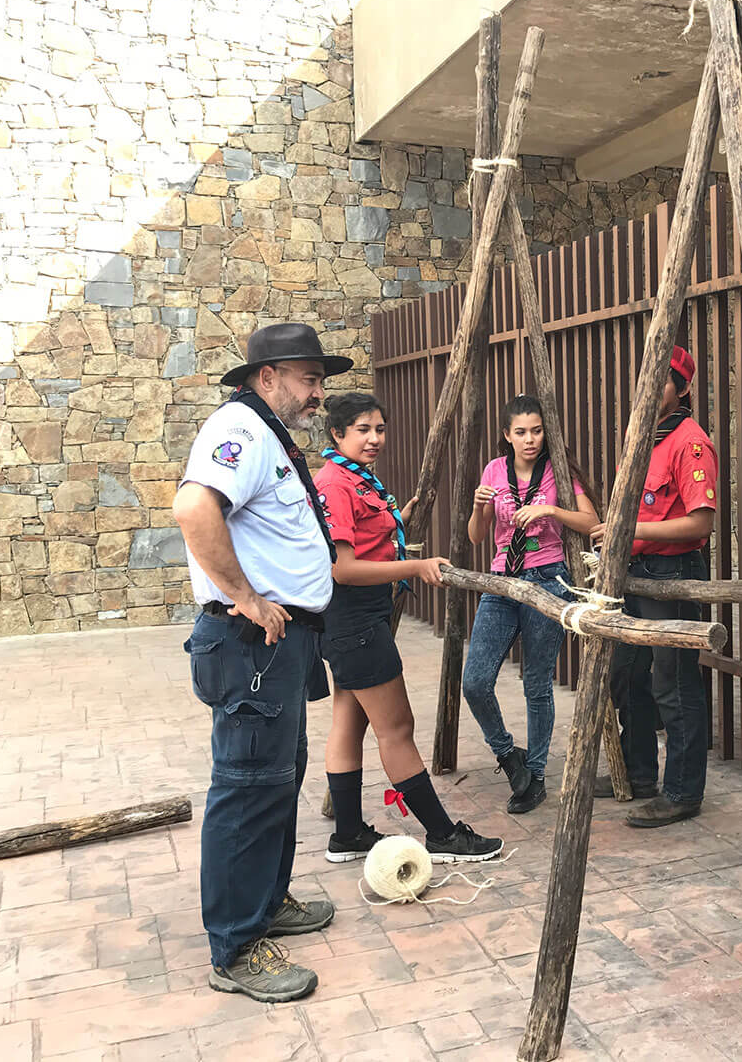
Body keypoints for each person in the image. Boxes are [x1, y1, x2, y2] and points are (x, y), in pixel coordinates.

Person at [173, 322, 349, 1003]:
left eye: (320, 381)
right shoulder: (241, 431)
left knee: (278, 776)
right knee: (247, 787)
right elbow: (193, 507)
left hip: (280, 646)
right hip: (252, 645)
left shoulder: (265, 435)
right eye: (308, 379)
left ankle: (267, 901)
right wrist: (245, 596)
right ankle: (237, 946)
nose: (317, 394)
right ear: (267, 376)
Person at [312, 391, 503, 865]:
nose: (374, 438)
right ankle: (441, 835)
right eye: (362, 430)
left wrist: (397, 521)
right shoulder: (334, 482)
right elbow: (344, 568)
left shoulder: (354, 477)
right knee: (397, 728)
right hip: (353, 617)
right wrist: (414, 568)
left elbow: (365, 538)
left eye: (379, 428)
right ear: (337, 434)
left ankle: (349, 834)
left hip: (352, 619)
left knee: (348, 721)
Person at [591, 345, 718, 828]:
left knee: (675, 683)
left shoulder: (691, 443)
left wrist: (630, 529)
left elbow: (699, 524)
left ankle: (683, 791)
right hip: (636, 574)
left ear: (681, 389)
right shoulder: (642, 435)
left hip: (674, 574)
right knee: (626, 674)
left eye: (660, 380)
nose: (648, 387)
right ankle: (638, 772)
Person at [462, 394, 599, 813]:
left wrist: (552, 509)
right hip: (503, 580)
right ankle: (509, 756)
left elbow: (591, 522)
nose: (530, 439)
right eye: (521, 432)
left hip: (548, 580)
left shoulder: (557, 470)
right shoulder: (493, 471)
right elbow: (476, 536)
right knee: (475, 681)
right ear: (507, 435)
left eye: (536, 431)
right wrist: (479, 507)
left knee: (536, 684)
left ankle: (535, 775)